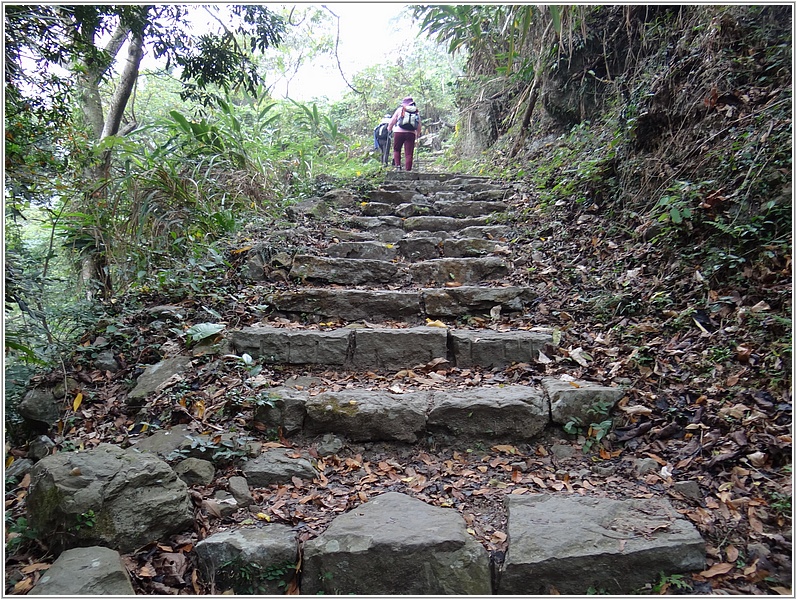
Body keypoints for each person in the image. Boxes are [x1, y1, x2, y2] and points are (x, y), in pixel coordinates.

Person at [388, 96, 422, 171]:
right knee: (409, 153)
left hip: (398, 132)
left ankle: (398, 167)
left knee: (397, 149)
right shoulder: (416, 111)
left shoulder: (400, 110)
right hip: (411, 133)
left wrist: (389, 129)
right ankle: (408, 170)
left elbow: (392, 121)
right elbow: (419, 124)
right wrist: (418, 133)